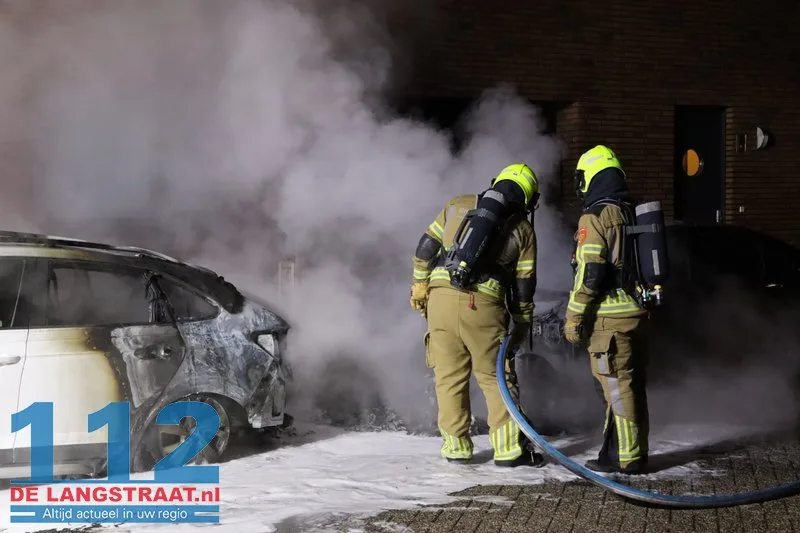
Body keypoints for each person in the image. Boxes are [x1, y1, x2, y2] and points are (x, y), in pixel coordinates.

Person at [409, 163, 544, 467]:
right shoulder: (523, 230)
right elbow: (524, 287)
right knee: (495, 378)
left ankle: (456, 448)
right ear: (528, 198)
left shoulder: (457, 204)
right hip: (483, 306)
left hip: (439, 300)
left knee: (448, 377)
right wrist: (521, 325)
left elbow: (425, 247)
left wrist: (419, 284)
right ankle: (509, 451)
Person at [562, 145, 650, 474]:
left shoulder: (595, 216)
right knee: (630, 385)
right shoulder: (629, 212)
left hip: (609, 318)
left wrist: (574, 320)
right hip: (635, 313)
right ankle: (622, 452)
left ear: (591, 177)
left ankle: (626, 458)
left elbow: (590, 273)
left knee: (616, 387)